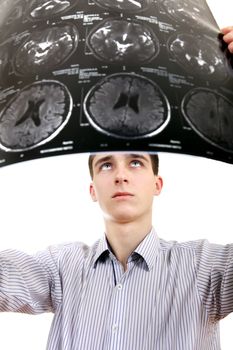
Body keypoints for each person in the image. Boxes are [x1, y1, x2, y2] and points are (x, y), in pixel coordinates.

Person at [1, 28, 233, 350]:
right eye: (106, 165)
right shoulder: (62, 267)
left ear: (157, 184)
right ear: (93, 188)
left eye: (135, 162)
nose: (121, 175)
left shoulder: (205, 268)